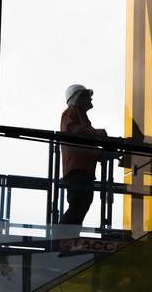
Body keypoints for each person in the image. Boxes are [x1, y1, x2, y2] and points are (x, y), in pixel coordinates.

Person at [58, 84, 107, 239]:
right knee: (78, 203)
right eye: (86, 95)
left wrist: (101, 155)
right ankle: (62, 238)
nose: (90, 98)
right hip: (76, 169)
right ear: (77, 98)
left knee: (83, 203)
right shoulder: (71, 113)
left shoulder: (82, 117)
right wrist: (97, 133)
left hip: (84, 169)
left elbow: (86, 143)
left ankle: (70, 238)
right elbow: (73, 131)